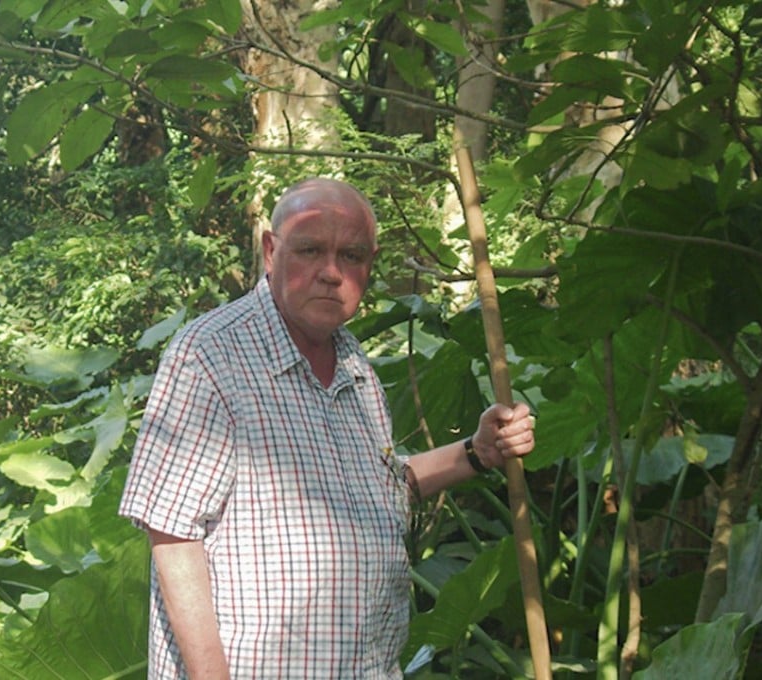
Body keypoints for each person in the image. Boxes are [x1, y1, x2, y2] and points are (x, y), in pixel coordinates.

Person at [119, 178, 536, 679]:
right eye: (311, 250)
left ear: (371, 263)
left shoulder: (353, 363)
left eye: (351, 255)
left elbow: (381, 486)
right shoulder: (210, 357)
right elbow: (173, 537)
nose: (331, 273)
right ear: (271, 251)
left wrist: (476, 451)